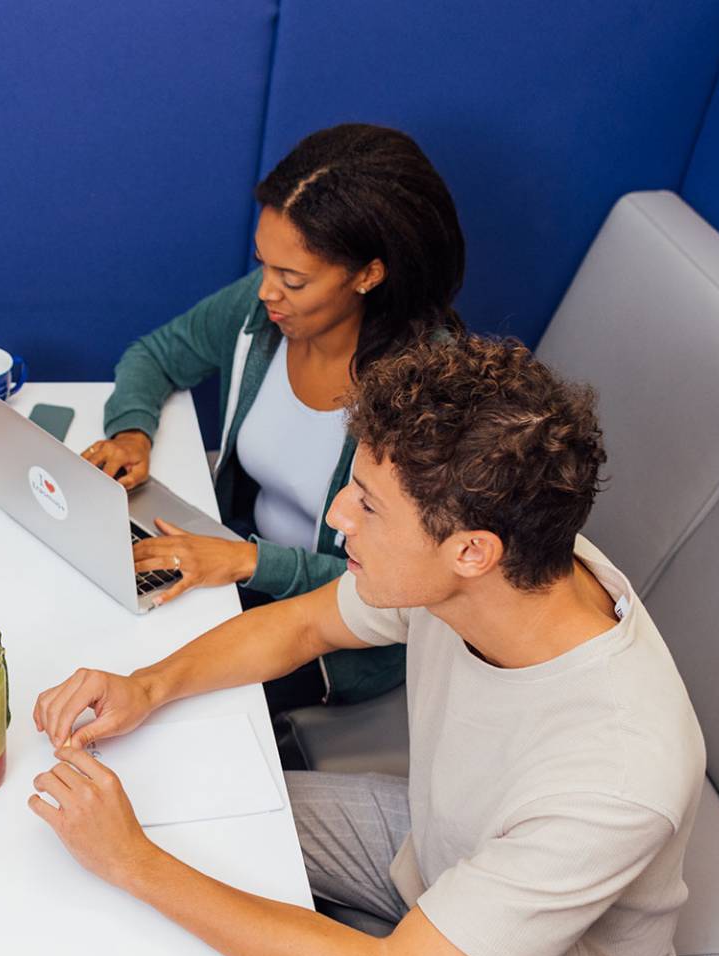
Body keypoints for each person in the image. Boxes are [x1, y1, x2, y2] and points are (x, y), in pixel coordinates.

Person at [30, 337, 705, 956]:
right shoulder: (494, 572)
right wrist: (146, 685)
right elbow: (308, 622)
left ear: (469, 550)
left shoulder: (617, 773)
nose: (339, 516)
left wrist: (132, 861)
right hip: (437, 846)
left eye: (367, 504)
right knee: (188, 807)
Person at [83, 123, 465, 708]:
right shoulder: (267, 311)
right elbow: (156, 355)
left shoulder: (431, 390)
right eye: (263, 264)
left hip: (338, 632)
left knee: (164, 702)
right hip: (237, 561)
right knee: (95, 622)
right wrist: (132, 432)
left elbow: (403, 591)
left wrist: (248, 561)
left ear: (369, 273)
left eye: (293, 279)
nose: (266, 292)